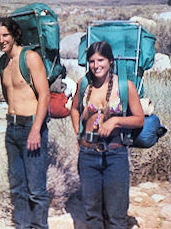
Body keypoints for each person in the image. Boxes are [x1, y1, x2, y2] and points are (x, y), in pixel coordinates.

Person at [70, 41, 144, 229]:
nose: (96, 65)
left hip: (115, 154)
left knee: (116, 214)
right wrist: (79, 134)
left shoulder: (125, 86)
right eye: (92, 61)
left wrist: (115, 121)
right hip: (88, 155)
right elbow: (74, 109)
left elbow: (139, 119)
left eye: (101, 60)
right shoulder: (84, 83)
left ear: (110, 61)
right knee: (92, 212)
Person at [0, 17, 50, 229]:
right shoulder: (2, 63)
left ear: (14, 34)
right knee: (17, 187)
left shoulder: (30, 58)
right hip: (12, 128)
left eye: (5, 35)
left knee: (36, 189)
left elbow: (44, 95)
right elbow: (8, 95)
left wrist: (35, 129)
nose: (1, 40)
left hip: (31, 127)